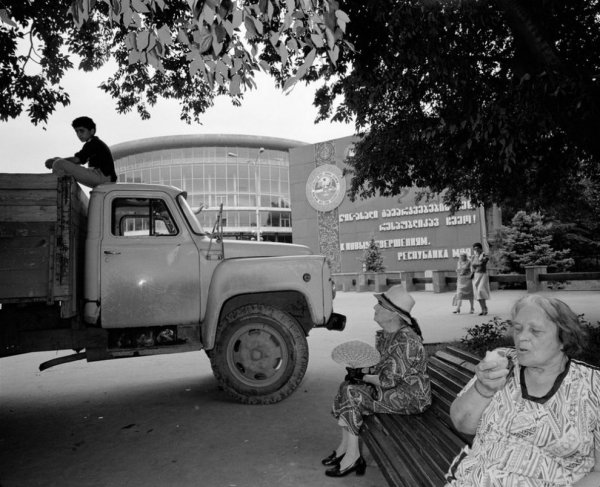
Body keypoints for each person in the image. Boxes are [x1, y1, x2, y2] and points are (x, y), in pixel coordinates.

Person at [446, 295, 600, 486]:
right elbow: (462, 424)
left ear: (564, 339)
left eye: (535, 331)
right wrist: (483, 389)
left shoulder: (593, 386)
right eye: (518, 329)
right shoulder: (502, 363)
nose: (521, 337)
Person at [323, 285, 432, 478]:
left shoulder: (406, 340)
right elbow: (382, 367)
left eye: (379, 305)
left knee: (352, 392)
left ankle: (353, 456)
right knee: (346, 386)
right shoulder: (386, 335)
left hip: (410, 397)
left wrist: (362, 376)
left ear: (392, 314)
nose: (374, 308)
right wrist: (362, 371)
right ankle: (344, 449)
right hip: (395, 390)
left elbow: (388, 380)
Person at [44, 116, 117, 188]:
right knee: (59, 161)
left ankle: (58, 190)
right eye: (77, 131)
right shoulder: (93, 143)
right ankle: (65, 186)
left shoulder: (94, 142)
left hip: (102, 177)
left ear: (92, 131)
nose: (79, 134)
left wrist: (55, 161)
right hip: (102, 177)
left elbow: (77, 160)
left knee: (58, 163)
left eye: (82, 131)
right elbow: (79, 161)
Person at [470, 242, 490, 315]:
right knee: (477, 293)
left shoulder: (484, 255)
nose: (476, 250)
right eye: (474, 249)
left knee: (480, 291)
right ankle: (483, 309)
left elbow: (483, 261)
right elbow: (472, 266)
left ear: (480, 248)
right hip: (475, 275)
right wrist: (472, 273)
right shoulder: (473, 257)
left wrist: (480, 257)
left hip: (483, 275)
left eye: (477, 248)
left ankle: (485, 308)